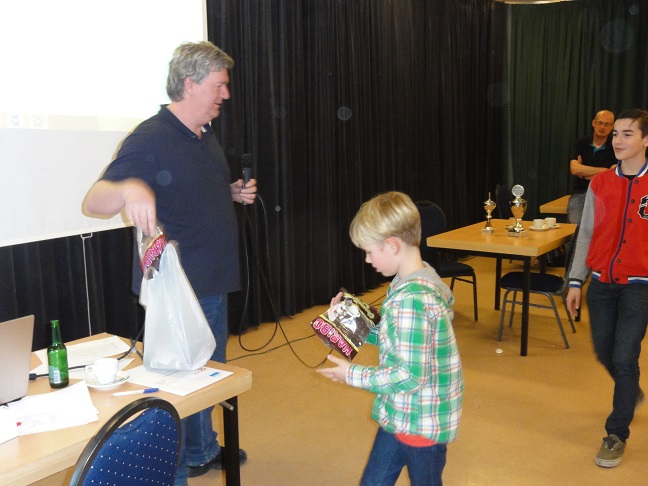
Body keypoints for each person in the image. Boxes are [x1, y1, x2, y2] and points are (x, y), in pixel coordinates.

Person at [82, 41, 256, 485]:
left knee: (208, 374)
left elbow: (189, 192)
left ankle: (202, 449)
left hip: (211, 280)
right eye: (219, 85)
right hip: (180, 289)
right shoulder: (152, 136)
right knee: (181, 384)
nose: (226, 94)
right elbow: (95, 200)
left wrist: (230, 193)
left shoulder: (204, 134)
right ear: (190, 84)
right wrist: (130, 189)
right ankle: (176, 464)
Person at [317, 191, 463, 485]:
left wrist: (352, 375)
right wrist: (347, 323)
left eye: (370, 252)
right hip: (399, 415)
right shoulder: (414, 279)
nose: (367, 259)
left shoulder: (412, 300)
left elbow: (410, 375)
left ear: (393, 245)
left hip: (420, 424)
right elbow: (393, 333)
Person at [566, 108, 648, 468]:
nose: (618, 140)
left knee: (625, 357)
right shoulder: (599, 184)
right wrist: (575, 281)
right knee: (605, 352)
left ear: (646, 140)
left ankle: (616, 434)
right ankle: (630, 391)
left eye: (628, 134)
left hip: (639, 287)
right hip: (601, 283)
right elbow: (585, 235)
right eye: (615, 133)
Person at [567, 110, 617, 224]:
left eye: (607, 124)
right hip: (581, 193)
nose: (602, 127)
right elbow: (574, 169)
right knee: (577, 225)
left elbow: (612, 174)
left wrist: (583, 174)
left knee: (606, 225)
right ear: (593, 123)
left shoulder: (615, 146)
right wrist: (604, 170)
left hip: (605, 194)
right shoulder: (581, 144)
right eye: (600, 123)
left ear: (612, 127)